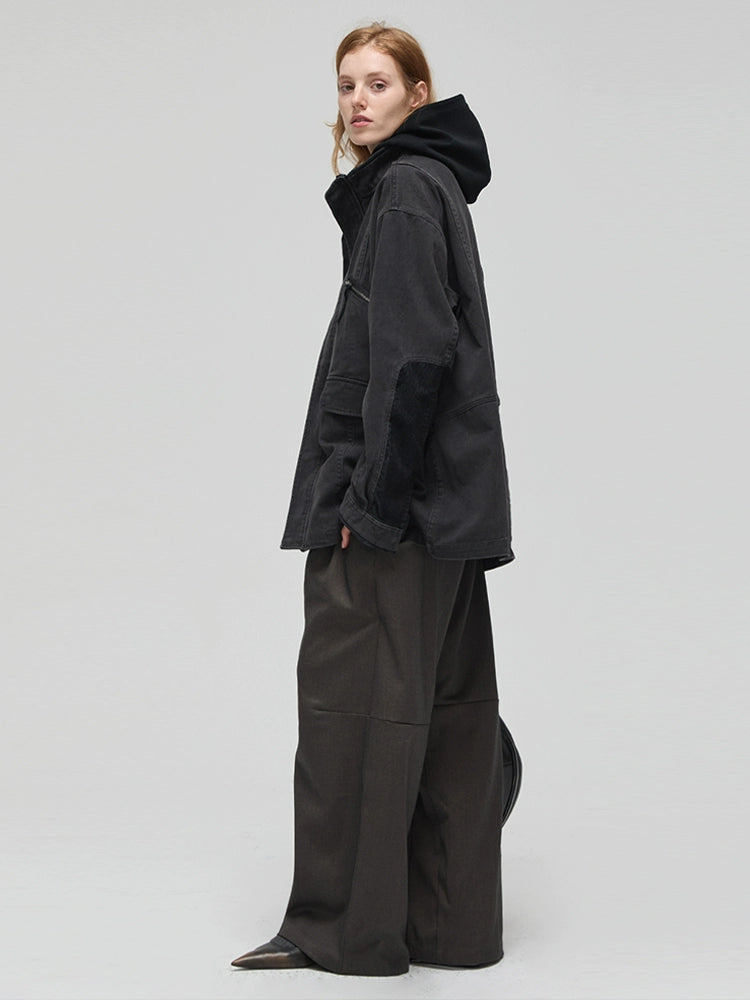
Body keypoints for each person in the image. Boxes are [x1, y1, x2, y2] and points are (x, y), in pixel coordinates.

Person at [231, 21, 515, 978]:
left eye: (380, 84)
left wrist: (371, 502)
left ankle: (341, 932)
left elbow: (414, 357)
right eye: (347, 84)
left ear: (419, 96)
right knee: (453, 715)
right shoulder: (433, 186)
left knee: (351, 714)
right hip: (453, 512)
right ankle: (450, 928)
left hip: (399, 512)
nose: (358, 100)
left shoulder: (401, 191)